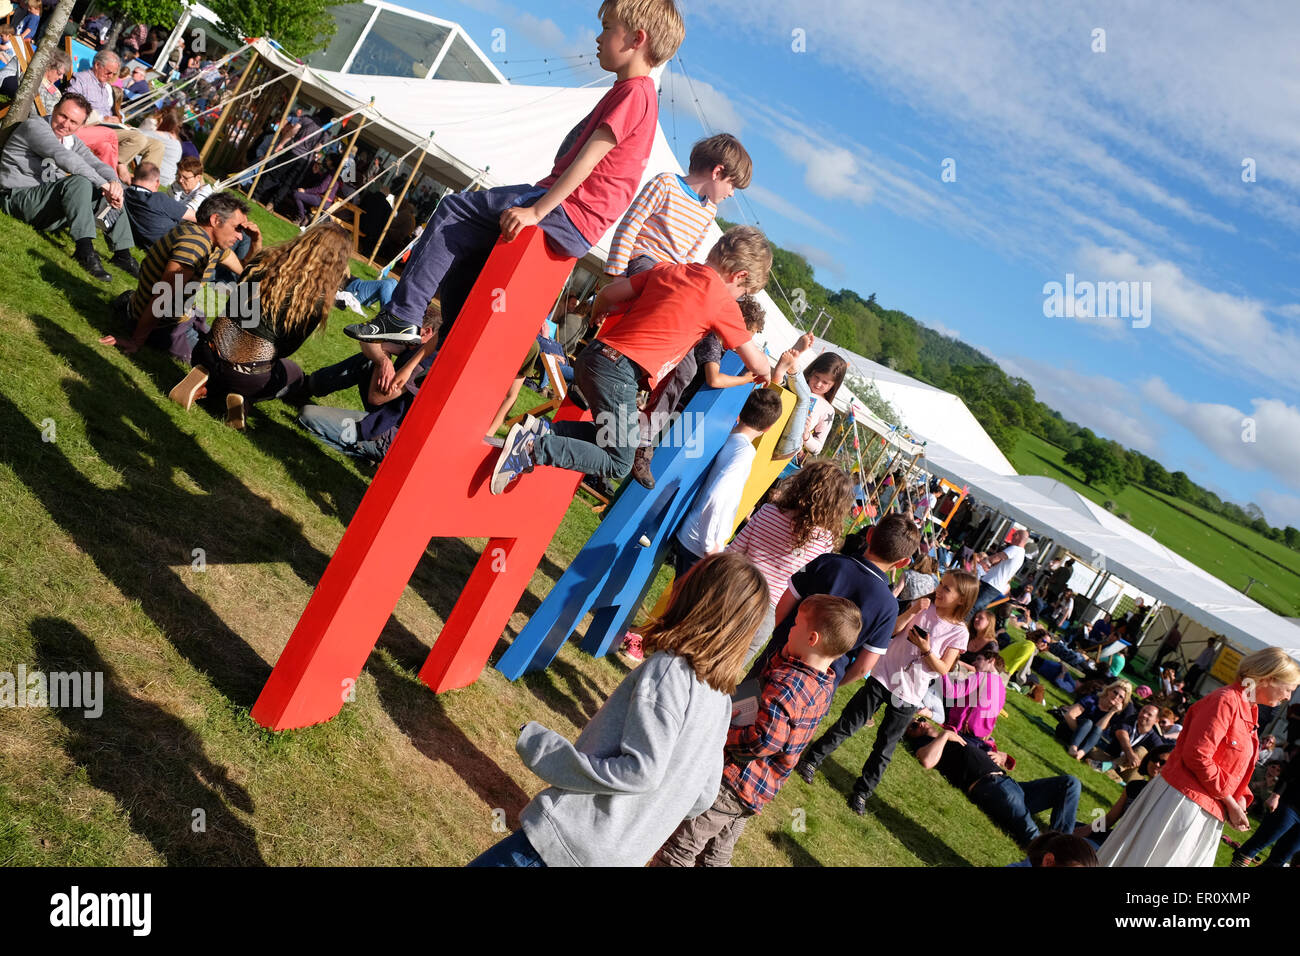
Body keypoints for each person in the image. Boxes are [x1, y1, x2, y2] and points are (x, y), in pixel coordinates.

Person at [343, 1, 686, 347]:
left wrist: (537, 211)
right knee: (467, 252)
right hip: (574, 214)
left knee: (453, 211)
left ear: (637, 39)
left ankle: (402, 315)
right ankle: (456, 334)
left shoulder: (634, 92)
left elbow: (588, 160)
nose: (598, 37)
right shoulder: (633, 93)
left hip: (566, 210)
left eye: (608, 28)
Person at [467, 551, 767, 867]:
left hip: (563, 844)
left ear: (697, 600)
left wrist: (550, 754)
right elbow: (702, 797)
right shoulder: (720, 703)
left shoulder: (669, 671)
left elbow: (642, 772)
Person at [488, 226, 773, 492]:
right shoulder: (723, 302)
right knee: (619, 462)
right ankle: (531, 449)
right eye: (745, 293)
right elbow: (757, 363)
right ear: (740, 276)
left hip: (594, 356)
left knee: (614, 436)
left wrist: (597, 313)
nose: (740, 297)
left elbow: (609, 293)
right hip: (619, 372)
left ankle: (546, 429)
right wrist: (771, 374)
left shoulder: (668, 270)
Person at [651, 594, 860, 866]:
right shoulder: (823, 686)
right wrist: (781, 658)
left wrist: (721, 733)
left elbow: (764, 740)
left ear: (812, 639)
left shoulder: (789, 685)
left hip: (730, 783)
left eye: (796, 625)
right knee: (715, 856)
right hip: (757, 791)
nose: (790, 629)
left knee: (680, 848)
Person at [603, 132, 751, 483]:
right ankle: (610, 384)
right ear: (717, 172)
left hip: (673, 276)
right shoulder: (666, 184)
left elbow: (688, 260)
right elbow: (630, 225)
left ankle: (642, 442)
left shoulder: (708, 210)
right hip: (646, 261)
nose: (731, 195)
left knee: (685, 368)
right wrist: (612, 274)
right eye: (733, 185)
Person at [795, 570, 977, 815]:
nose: (940, 591)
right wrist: (912, 611)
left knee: (885, 748)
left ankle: (861, 793)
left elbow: (944, 668)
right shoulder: (923, 605)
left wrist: (925, 649)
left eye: (947, 589)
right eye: (941, 584)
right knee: (849, 723)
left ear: (962, 599)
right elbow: (892, 631)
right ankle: (811, 760)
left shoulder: (959, 633)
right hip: (883, 676)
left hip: (910, 694)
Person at [1099, 647, 1300, 867]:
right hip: (1180, 804)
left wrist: (1240, 795)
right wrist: (1230, 801)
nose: (1288, 697)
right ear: (1268, 679)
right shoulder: (1226, 701)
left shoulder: (1247, 710)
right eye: (1289, 689)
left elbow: (1231, 765)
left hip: (1201, 810)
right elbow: (1198, 755)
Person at [171, 223, 352, 429]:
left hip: (207, 350)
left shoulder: (264, 259)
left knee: (235, 359)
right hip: (247, 374)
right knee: (293, 374)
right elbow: (287, 348)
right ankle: (240, 400)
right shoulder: (314, 300)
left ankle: (207, 381)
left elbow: (233, 302)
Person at [750, 512, 919, 694]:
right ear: (903, 562)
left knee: (738, 712)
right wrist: (832, 683)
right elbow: (864, 667)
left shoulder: (826, 562)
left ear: (869, 535)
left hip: (779, 655)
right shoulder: (889, 607)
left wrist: (781, 637)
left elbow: (784, 604)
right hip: (816, 687)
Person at [628, 293, 767, 490]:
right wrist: (743, 380)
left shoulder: (719, 345)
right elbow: (714, 378)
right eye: (746, 335)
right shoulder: (712, 342)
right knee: (648, 453)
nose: (743, 343)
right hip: (676, 408)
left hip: (680, 409)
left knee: (651, 462)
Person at [101, 192, 258, 359]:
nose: (241, 236)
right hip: (164, 327)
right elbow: (163, 296)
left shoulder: (208, 240)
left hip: (180, 316)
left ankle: (129, 303)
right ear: (216, 220)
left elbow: (246, 271)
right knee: (223, 360)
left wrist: (256, 242)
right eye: (237, 228)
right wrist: (136, 341)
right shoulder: (195, 245)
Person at [728, 461, 854, 666]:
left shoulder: (768, 511)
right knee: (726, 671)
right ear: (837, 505)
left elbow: (734, 550)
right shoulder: (823, 541)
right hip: (766, 610)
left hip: (731, 586)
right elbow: (801, 578)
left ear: (802, 482)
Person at [0, 93, 137, 281]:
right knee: (80, 181)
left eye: (73, 122)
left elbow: (97, 164)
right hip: (18, 197)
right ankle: (85, 251)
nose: (66, 124)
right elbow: (63, 157)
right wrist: (103, 184)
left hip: (45, 204)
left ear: (81, 125)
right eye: (63, 116)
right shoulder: (36, 127)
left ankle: (123, 255)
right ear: (54, 109)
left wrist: (114, 183)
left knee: (107, 190)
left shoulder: (71, 140)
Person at [906, 718, 1082, 846]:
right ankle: (1059, 853)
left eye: (920, 719)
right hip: (993, 789)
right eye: (913, 726)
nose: (920, 723)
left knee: (1070, 783)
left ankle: (1062, 842)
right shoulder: (926, 744)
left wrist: (1001, 755)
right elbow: (927, 761)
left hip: (1012, 785)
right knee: (1034, 839)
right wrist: (944, 736)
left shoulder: (954, 735)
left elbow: (986, 746)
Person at [671, 388, 784, 573]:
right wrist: (710, 547)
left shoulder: (726, 436)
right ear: (768, 428)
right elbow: (715, 496)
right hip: (700, 544)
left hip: (690, 534)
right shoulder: (745, 452)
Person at [1074, 744, 1173, 846]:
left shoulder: (1167, 798)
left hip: (1129, 847)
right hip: (1114, 836)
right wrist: (1086, 830)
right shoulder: (1134, 786)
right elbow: (1109, 819)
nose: (1157, 764)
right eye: (1155, 759)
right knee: (1068, 826)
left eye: (1163, 763)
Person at [1233, 749, 1300, 867]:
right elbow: (1289, 772)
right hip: (1290, 806)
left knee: (1281, 858)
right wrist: (1276, 795)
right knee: (1260, 842)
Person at [942, 646, 1007, 746]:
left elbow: (950, 692)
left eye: (979, 659)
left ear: (991, 661)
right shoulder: (1002, 688)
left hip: (961, 729)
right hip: (979, 738)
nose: (974, 663)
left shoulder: (981, 676)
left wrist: (943, 670)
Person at [121, 161, 195, 250]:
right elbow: (196, 217)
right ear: (157, 182)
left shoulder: (123, 195)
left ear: (133, 176)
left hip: (145, 243)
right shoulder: (159, 199)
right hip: (172, 245)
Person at [1052, 680, 1133, 760]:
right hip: (1068, 730)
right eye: (1115, 692)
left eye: (1121, 697)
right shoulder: (1092, 699)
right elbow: (1069, 715)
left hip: (1085, 741)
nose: (1116, 697)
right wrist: (1080, 733)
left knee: (1098, 731)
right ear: (1109, 690)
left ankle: (1081, 753)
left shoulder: (1113, 714)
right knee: (1088, 723)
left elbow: (1098, 729)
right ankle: (1073, 748)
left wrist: (1112, 712)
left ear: (1123, 701)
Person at [971, 529, 1029, 615]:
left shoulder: (1016, 549)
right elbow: (999, 562)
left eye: (1014, 535)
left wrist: (986, 561)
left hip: (992, 584)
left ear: (1018, 536)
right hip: (993, 584)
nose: (1012, 537)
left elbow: (998, 557)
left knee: (972, 607)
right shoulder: (1021, 553)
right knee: (977, 610)